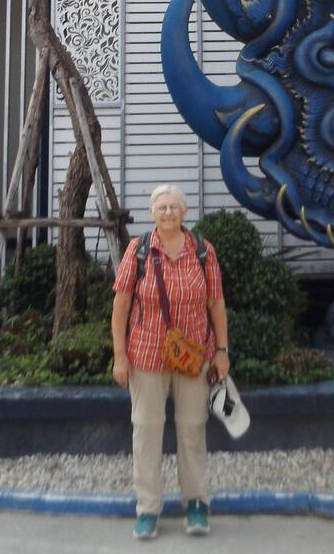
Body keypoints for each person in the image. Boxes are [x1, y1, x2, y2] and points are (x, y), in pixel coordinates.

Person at [112, 184, 230, 541]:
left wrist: (222, 351)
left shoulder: (203, 251)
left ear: (184, 212)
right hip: (146, 354)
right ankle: (148, 508)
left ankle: (196, 502)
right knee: (146, 430)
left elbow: (216, 304)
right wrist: (119, 355)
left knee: (192, 428)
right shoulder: (139, 250)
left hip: (193, 355)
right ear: (152, 213)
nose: (168, 212)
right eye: (161, 207)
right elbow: (121, 305)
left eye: (174, 206)